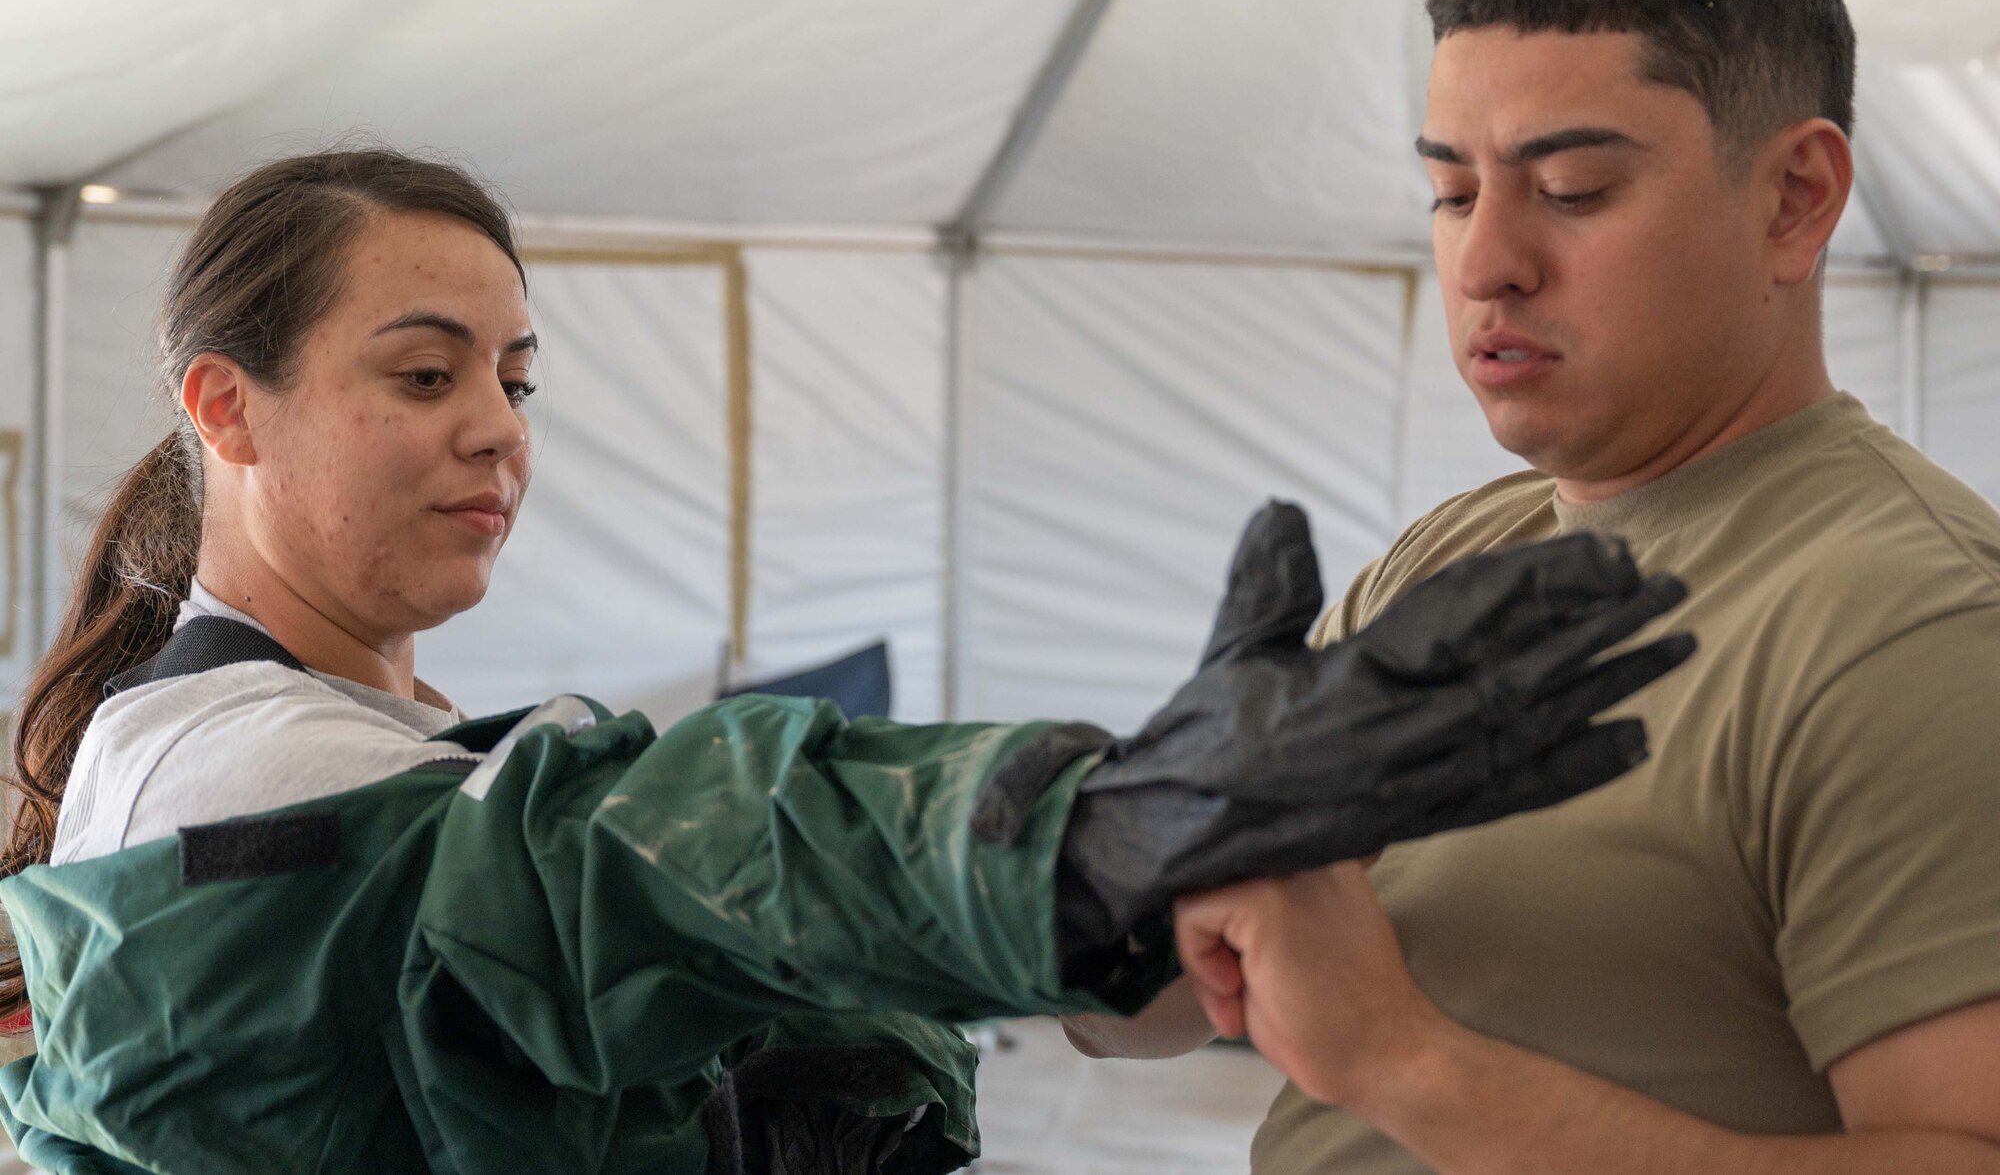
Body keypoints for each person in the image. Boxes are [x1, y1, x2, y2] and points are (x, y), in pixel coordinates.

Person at [0, 149, 1692, 1174]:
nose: (498, 436)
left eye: (519, 379)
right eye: (425, 375)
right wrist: (1073, 838)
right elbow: (604, 872)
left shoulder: (390, 734)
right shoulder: (224, 772)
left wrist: (1150, 910)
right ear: (226, 406)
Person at [1164, 0, 2000, 1174]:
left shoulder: (1913, 625)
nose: (1487, 260)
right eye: (1452, 194)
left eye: (1571, 188)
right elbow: (1157, 1005)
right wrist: (1115, 856)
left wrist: (1400, 1058)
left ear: (1795, 199)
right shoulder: (1446, 562)